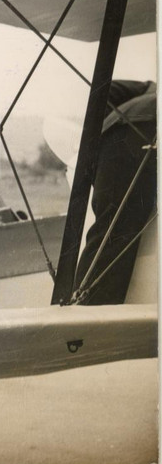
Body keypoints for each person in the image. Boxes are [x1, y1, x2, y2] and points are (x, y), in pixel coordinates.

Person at [74, 80, 157, 305]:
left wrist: (100, 139)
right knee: (115, 228)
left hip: (116, 131)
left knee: (110, 228)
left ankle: (84, 305)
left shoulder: (150, 87)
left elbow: (106, 88)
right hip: (143, 130)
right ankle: (89, 311)